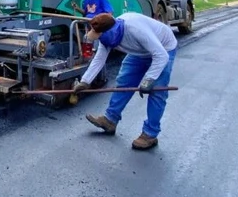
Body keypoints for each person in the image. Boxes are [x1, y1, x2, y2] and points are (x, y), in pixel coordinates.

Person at [74, 12, 178, 150]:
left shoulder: (136, 30)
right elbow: (99, 58)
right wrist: (85, 81)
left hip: (163, 49)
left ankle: (150, 134)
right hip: (140, 51)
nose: (99, 39)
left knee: (157, 91)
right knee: (124, 81)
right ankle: (110, 120)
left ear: (110, 32)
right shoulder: (106, 33)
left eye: (100, 36)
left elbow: (161, 56)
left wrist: (148, 80)